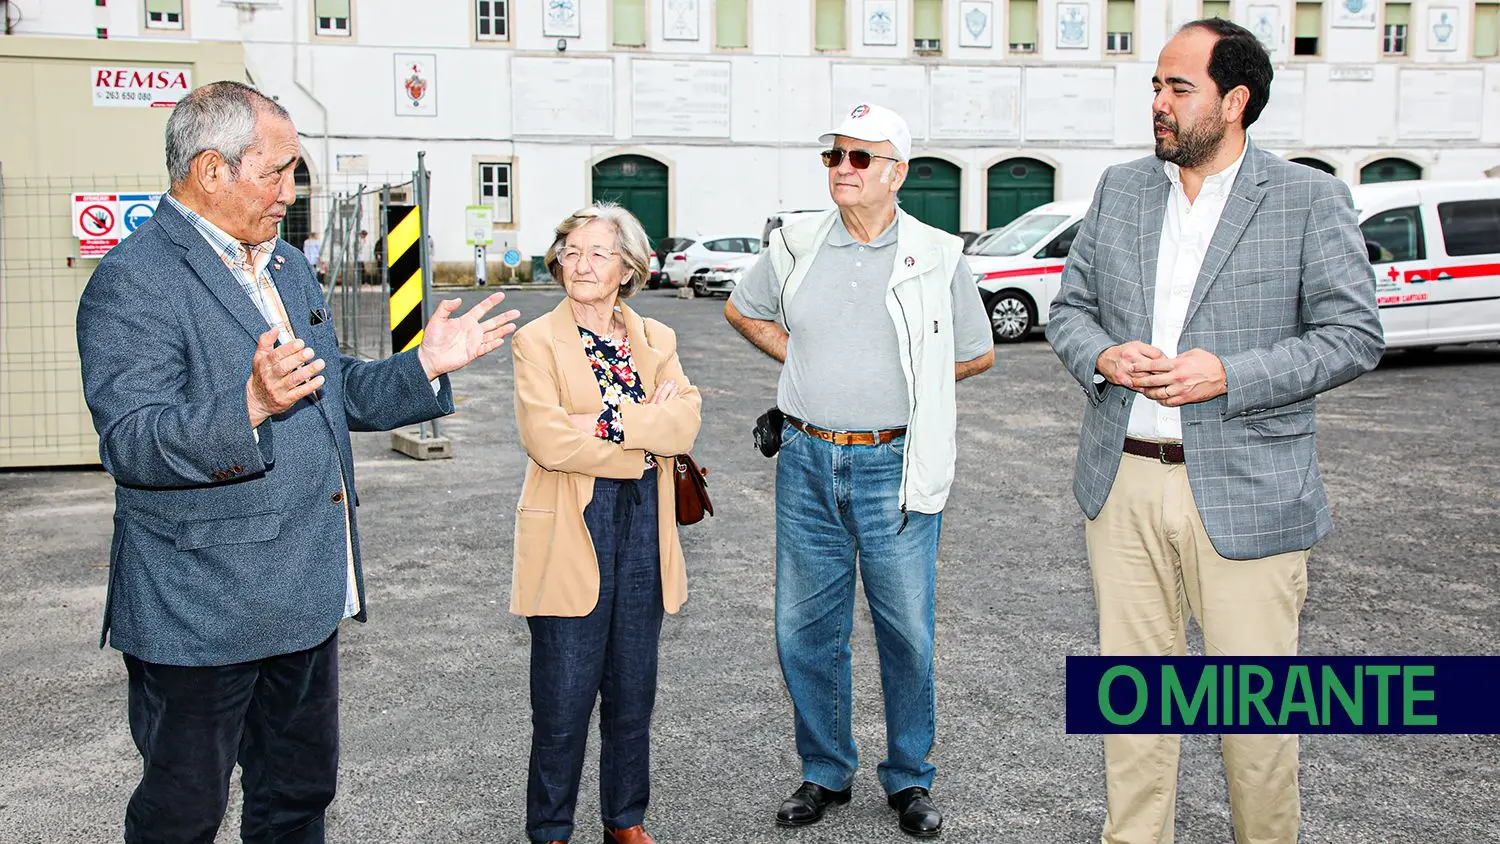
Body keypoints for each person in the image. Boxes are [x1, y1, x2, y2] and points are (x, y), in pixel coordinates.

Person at [74, 80, 521, 843]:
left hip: (305, 595)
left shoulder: (281, 264)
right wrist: (246, 404)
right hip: (200, 611)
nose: (290, 191)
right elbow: (133, 441)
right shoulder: (134, 281)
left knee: (297, 797)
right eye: (277, 172)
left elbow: (330, 386)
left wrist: (424, 366)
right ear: (211, 170)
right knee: (181, 813)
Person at [1045, 18, 1384, 844]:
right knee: (1133, 716)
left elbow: (1354, 334)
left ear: (1234, 101)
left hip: (1250, 493)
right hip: (1121, 484)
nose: (1158, 103)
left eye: (1177, 88)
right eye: (1156, 86)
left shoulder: (1308, 198)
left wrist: (1229, 374)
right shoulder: (1121, 190)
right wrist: (1102, 357)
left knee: (1256, 727)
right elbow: (1069, 312)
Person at [724, 103, 993, 838]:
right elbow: (742, 310)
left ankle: (909, 778)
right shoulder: (797, 243)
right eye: (834, 156)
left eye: (859, 158)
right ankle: (825, 772)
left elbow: (977, 350)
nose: (842, 168)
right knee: (804, 629)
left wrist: (914, 387)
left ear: (896, 172)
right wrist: (799, 361)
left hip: (896, 463)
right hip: (807, 458)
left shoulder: (938, 254)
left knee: (906, 630)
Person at [509, 203, 702, 844]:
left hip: (647, 523)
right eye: (571, 250)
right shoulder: (536, 341)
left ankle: (625, 819)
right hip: (573, 520)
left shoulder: (656, 339)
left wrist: (606, 422)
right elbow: (549, 441)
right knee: (562, 697)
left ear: (626, 268)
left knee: (632, 688)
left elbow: (687, 423)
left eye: (597, 253)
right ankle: (551, 829)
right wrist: (641, 430)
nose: (580, 263)